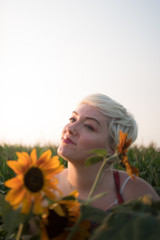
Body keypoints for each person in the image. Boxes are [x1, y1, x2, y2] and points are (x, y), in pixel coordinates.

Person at [56, 93, 160, 211]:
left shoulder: (138, 194)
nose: (70, 128)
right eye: (72, 119)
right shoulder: (40, 185)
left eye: (89, 126)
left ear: (113, 148)